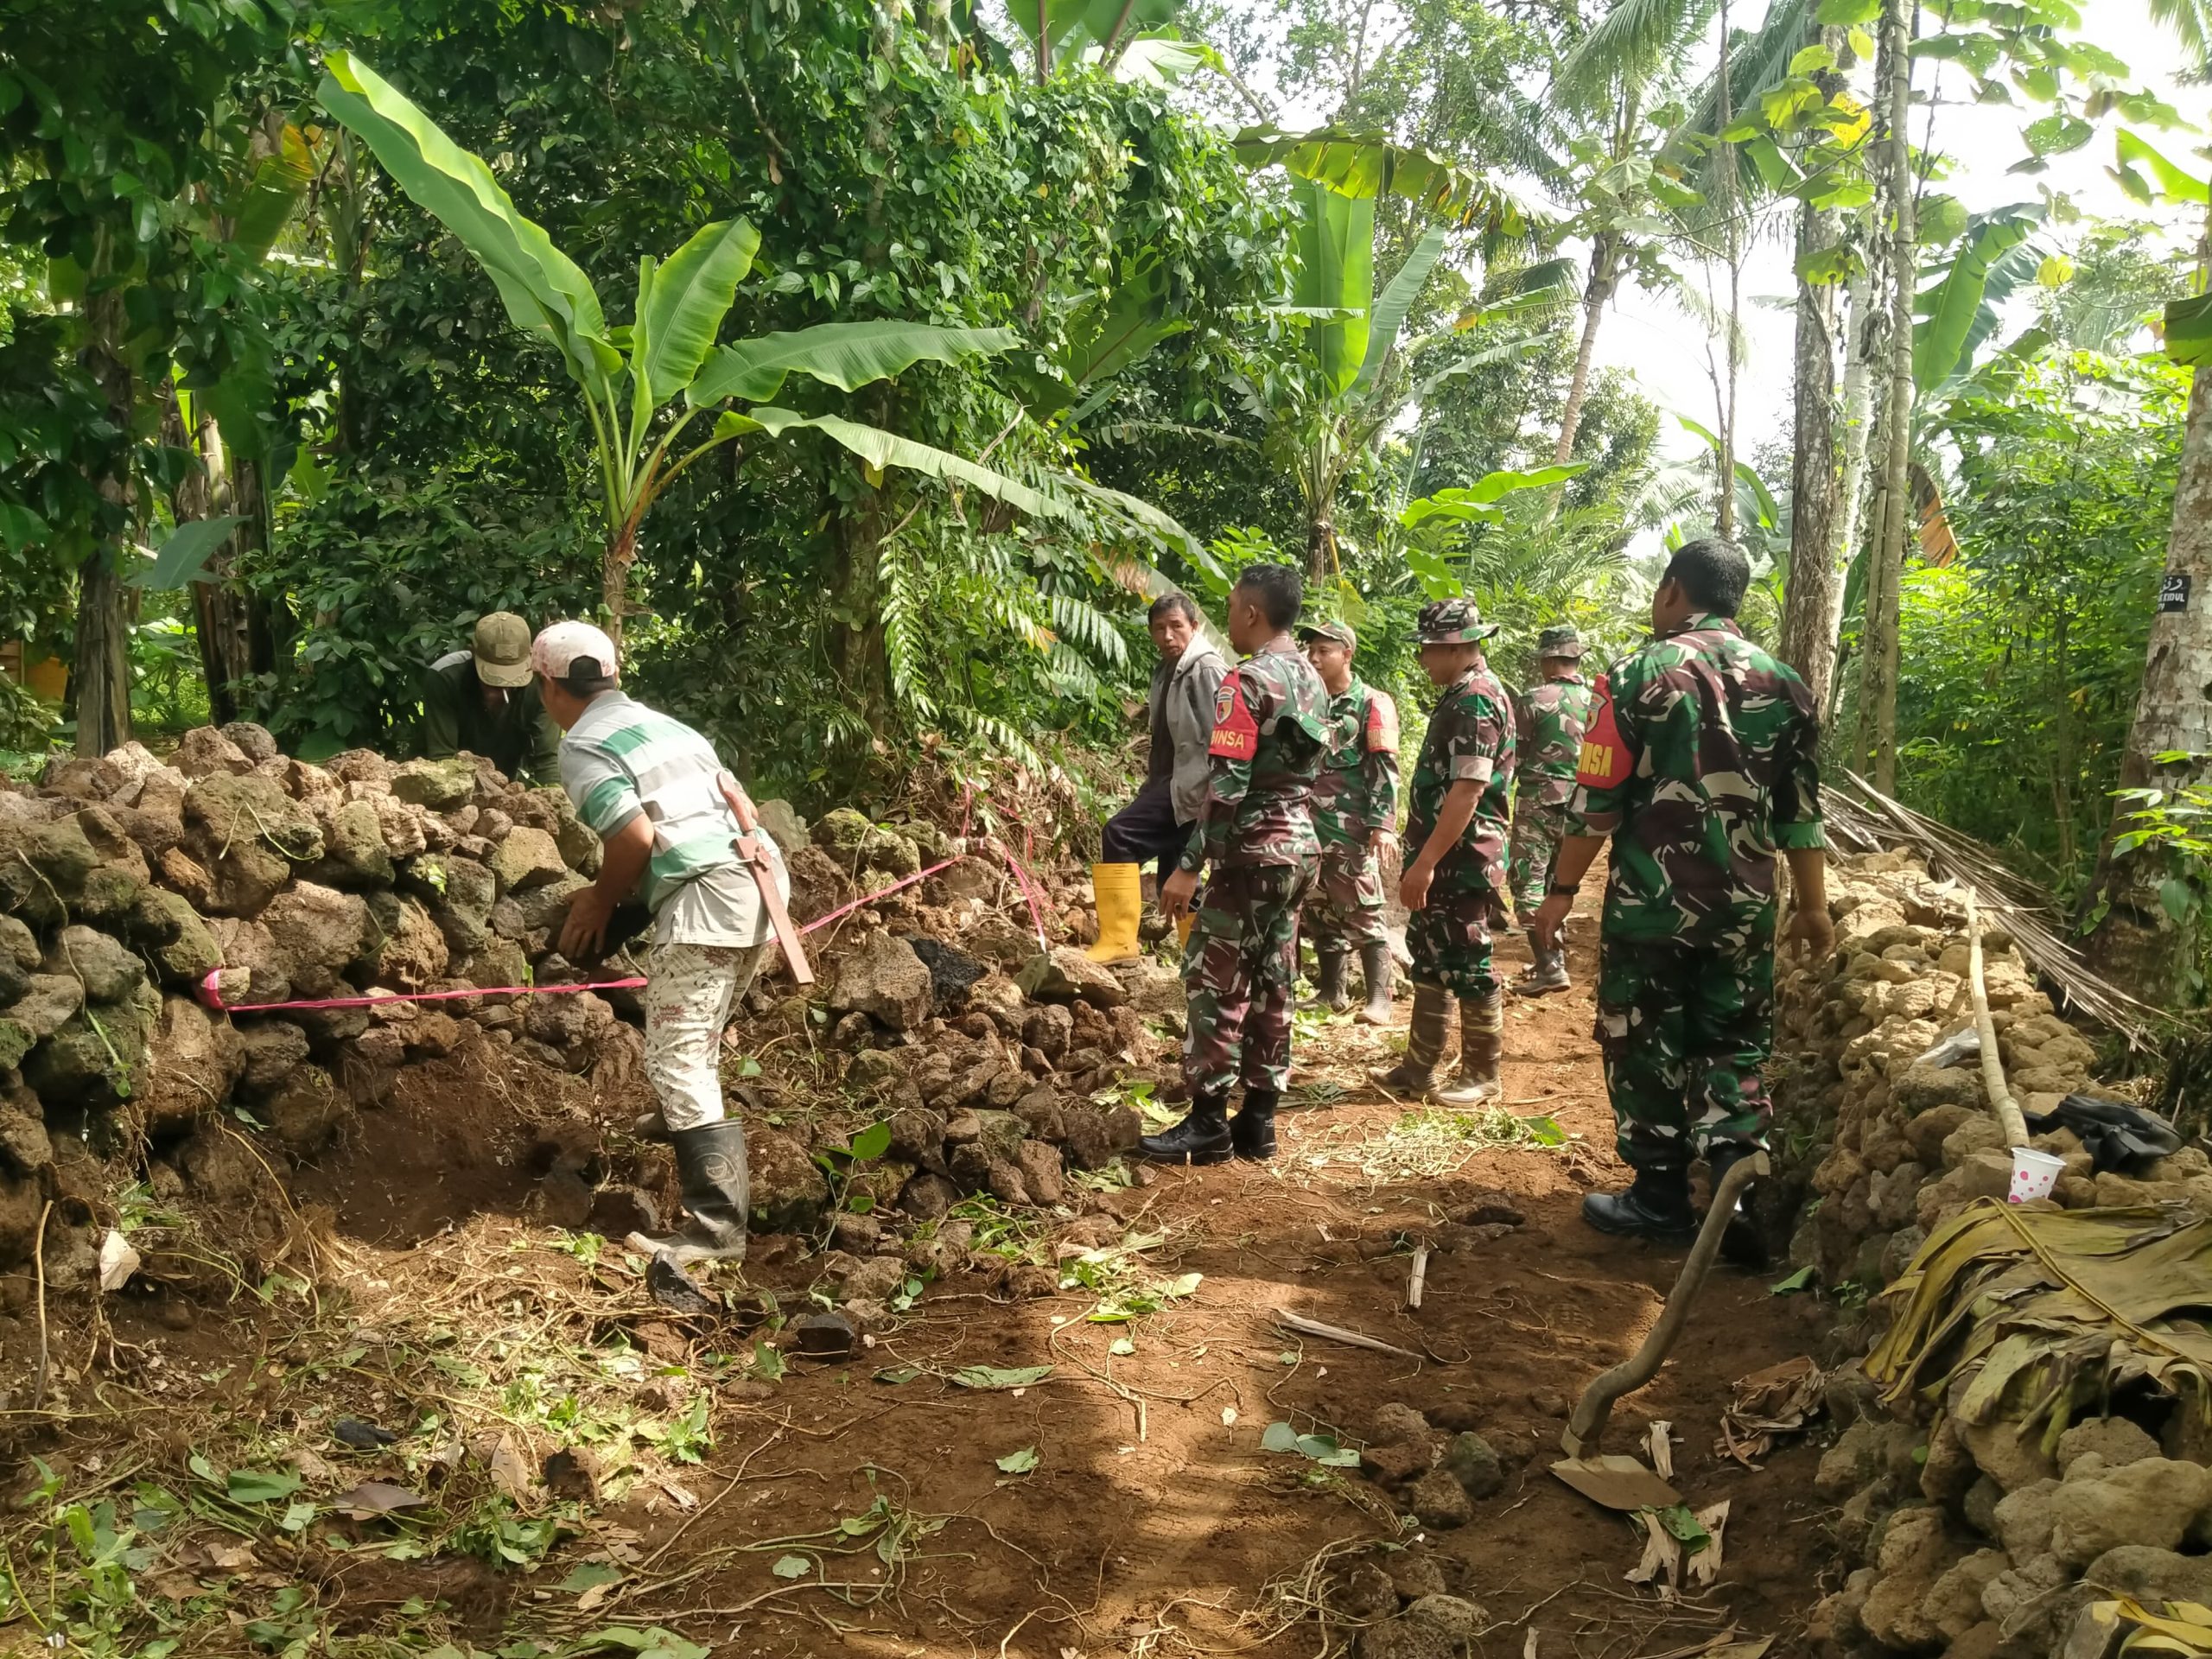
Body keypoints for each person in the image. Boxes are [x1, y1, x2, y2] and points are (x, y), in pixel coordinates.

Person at [1531, 537, 1833, 1250]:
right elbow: (1800, 813)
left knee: (1642, 1042)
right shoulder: (1787, 686)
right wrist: (1814, 906)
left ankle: (1661, 1198)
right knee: (1732, 1042)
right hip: (1745, 910)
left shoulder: (1635, 677)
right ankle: (1734, 1196)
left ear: (1672, 591)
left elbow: (1597, 803)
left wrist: (1561, 890)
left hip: (1650, 910)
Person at [532, 620, 791, 1266]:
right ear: (615, 676)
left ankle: (713, 1233)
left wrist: (598, 899)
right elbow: (744, 811)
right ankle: (681, 1118)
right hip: (761, 881)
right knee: (691, 1040)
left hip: (708, 896)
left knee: (678, 1055)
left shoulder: (583, 744)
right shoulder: (670, 727)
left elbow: (633, 840)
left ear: (547, 686)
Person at [1143, 564, 1328, 1165]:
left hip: (1251, 851)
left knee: (1213, 980)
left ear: (1252, 612)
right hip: (1300, 848)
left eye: (1230, 607)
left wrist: (1190, 864)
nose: (1226, 617)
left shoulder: (1244, 682)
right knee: (1275, 978)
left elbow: (1227, 785)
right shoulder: (1311, 676)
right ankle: (1259, 1120)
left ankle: (1207, 1123)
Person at [1372, 600, 1516, 1106]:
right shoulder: (1461, 694)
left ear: (1456, 647)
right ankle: (1419, 1067)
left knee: (1470, 961)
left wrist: (1427, 862)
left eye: (1429, 650)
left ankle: (1482, 1073)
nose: (1422, 661)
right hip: (1446, 856)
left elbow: (1467, 791)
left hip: (1463, 859)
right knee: (1432, 959)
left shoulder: (1476, 700)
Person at [1086, 593, 1228, 963]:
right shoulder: (1167, 670)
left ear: (1194, 628)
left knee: (1118, 834)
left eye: (1176, 626)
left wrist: (1216, 797)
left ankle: (1119, 942)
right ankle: (1203, 967)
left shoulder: (1205, 668)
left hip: (1192, 788)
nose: (1167, 635)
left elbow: (1224, 737)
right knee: (1177, 877)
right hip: (1172, 784)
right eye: (1159, 628)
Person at [1296, 620, 1399, 1024]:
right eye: (1312, 650)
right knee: (1320, 909)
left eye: (1325, 651)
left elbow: (1385, 769)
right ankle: (1330, 992)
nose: (1315, 658)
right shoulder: (1308, 700)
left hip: (1350, 828)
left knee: (1364, 909)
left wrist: (1383, 824)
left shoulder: (1372, 702)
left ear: (1347, 654)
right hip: (1308, 825)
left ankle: (1380, 998)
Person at [1509, 624, 1594, 995]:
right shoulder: (1598, 702)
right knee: (1558, 883)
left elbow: (1513, 758)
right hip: (1583, 806)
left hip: (1539, 802)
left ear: (1547, 660)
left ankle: (1549, 966)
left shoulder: (1533, 700)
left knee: (1527, 882)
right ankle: (1551, 956)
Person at [420, 612, 565, 785]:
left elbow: (548, 759)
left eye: (511, 681)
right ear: (473, 653)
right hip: (442, 784)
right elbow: (443, 758)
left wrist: (554, 799)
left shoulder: (540, 685)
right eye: (491, 681)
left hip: (505, 787)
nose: (501, 689)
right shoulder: (446, 678)